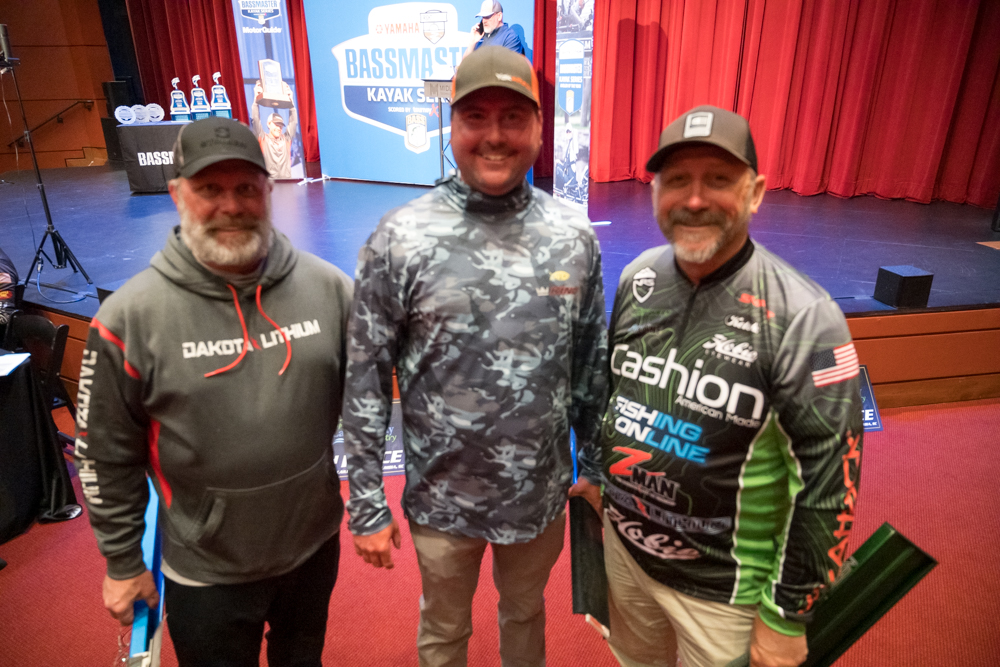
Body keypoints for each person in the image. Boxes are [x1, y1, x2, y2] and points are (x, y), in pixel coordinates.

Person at [343, 46, 607, 667]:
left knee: (525, 615)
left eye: (513, 117)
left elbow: (590, 367)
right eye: (476, 117)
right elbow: (365, 378)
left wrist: (596, 466)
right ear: (452, 125)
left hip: (538, 497)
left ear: (538, 128)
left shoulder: (573, 235)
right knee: (443, 630)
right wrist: (365, 501)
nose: (494, 135)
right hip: (441, 502)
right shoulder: (400, 236)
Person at [74, 116, 352, 667]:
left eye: (246, 187)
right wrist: (123, 562)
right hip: (206, 569)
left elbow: (369, 407)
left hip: (313, 546)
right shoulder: (129, 318)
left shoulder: (331, 290)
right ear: (177, 195)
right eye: (209, 189)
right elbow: (104, 453)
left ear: (268, 191)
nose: (231, 205)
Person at [599, 105, 863, 667]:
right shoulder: (637, 277)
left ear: (756, 192)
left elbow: (830, 484)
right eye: (677, 180)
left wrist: (787, 614)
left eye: (718, 179)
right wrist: (598, 477)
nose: (694, 199)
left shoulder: (808, 318)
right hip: (625, 554)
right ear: (654, 191)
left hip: (724, 592)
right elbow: (616, 394)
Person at [251, 80, 298, 179]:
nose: (279, 127)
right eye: (276, 124)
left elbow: (293, 122)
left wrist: (291, 103)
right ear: (268, 124)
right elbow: (255, 120)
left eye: (280, 125)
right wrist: (256, 100)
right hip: (270, 182)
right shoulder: (263, 138)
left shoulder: (286, 139)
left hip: (287, 182)